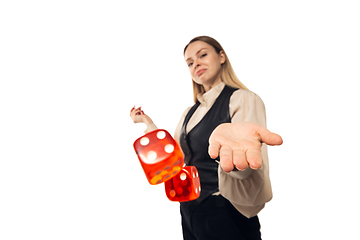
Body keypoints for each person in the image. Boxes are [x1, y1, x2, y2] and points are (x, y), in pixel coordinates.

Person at [130, 36, 283, 240]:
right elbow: (175, 158)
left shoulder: (242, 99)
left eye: (202, 55)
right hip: (190, 211)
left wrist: (239, 163)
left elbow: (247, 166)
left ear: (221, 56)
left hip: (226, 211)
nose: (196, 64)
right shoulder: (189, 113)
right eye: (190, 62)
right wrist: (148, 124)